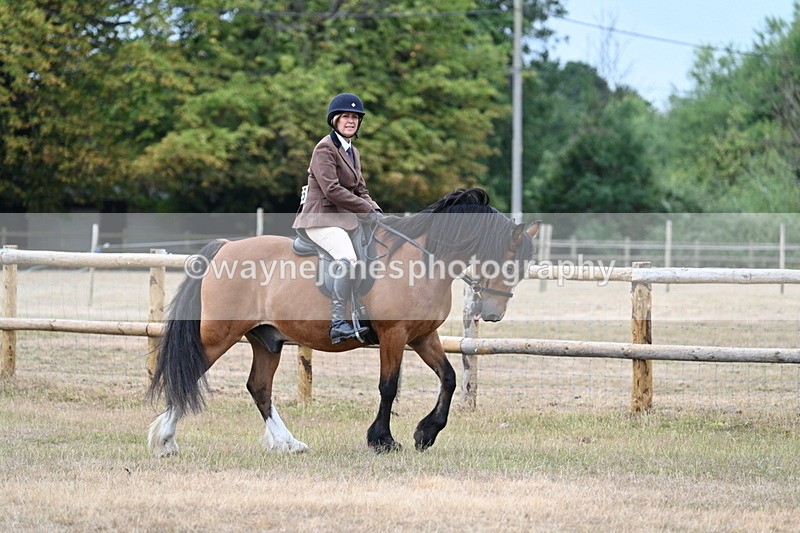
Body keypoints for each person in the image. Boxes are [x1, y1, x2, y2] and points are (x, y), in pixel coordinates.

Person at [292, 93, 383, 344]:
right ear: (335, 120)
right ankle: (338, 323)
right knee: (348, 258)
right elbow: (332, 190)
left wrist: (377, 211)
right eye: (346, 117)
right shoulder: (324, 148)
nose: (351, 121)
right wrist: (365, 210)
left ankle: (361, 311)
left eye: (355, 117)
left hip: (344, 220)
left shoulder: (353, 152)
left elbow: (360, 189)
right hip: (320, 220)